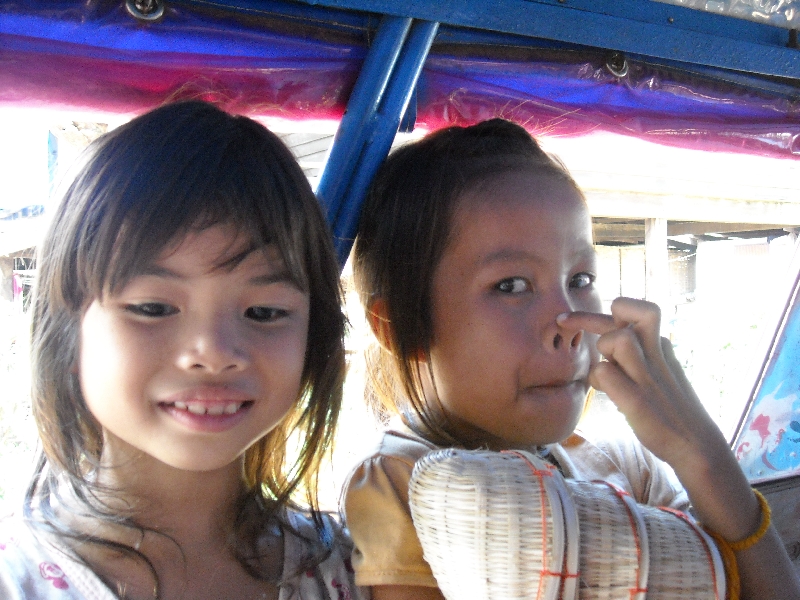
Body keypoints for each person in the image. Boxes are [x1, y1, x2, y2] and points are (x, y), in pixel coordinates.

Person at [342, 118, 800, 600]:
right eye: (511, 286)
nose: (567, 322)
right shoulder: (399, 488)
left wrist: (700, 450)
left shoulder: (621, 463)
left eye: (580, 279)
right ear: (400, 328)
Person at [0, 101, 367, 600]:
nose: (213, 353)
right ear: (68, 329)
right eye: (152, 307)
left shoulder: (352, 571)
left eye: (263, 312)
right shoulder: (17, 579)